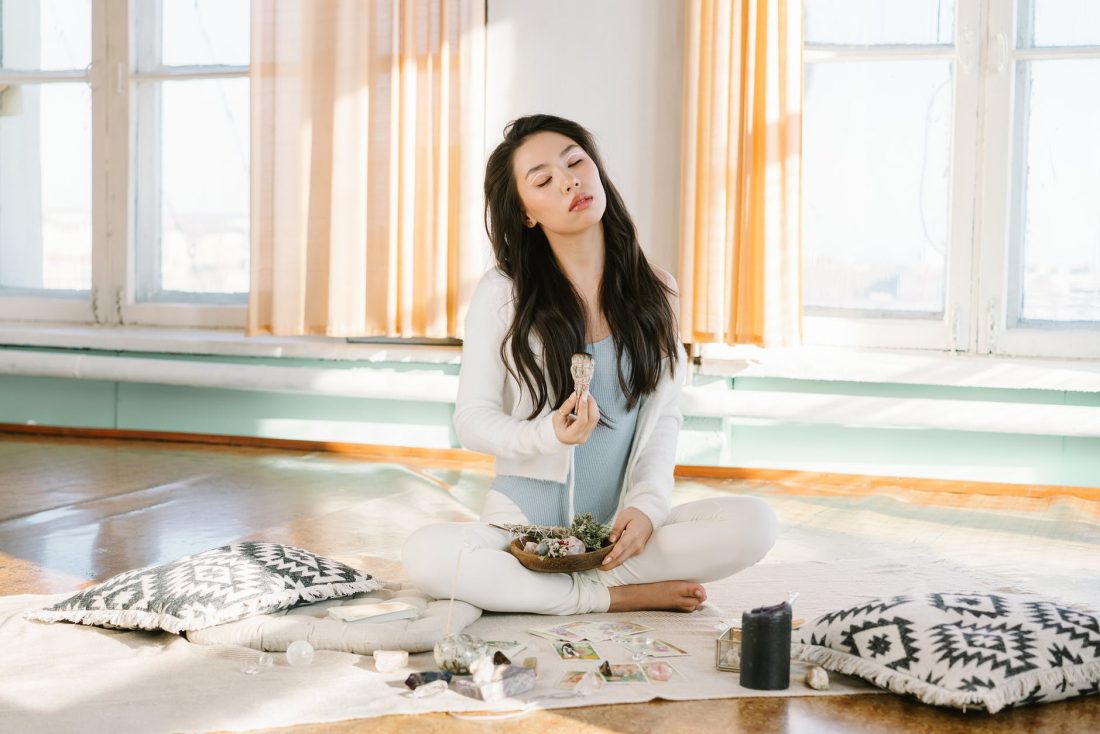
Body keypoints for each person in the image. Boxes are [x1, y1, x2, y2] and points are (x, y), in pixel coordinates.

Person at [402, 114, 776, 615]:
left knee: (756, 523)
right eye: (543, 179)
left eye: (576, 161)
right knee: (425, 554)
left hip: (616, 543)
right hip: (524, 544)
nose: (570, 180)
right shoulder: (502, 295)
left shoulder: (657, 292)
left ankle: (569, 594)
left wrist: (646, 508)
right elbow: (471, 421)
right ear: (527, 213)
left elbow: (663, 418)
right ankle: (607, 598)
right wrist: (548, 435)